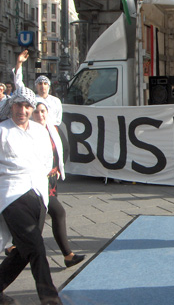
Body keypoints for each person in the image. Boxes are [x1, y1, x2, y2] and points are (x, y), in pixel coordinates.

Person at [0, 87, 62, 305]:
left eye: (27, 106)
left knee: (24, 250)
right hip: (11, 195)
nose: (23, 110)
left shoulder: (39, 130)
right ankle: (50, 300)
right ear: (11, 106)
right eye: (19, 105)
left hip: (38, 194)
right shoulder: (2, 131)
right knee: (36, 248)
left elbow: (47, 159)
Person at [8, 100, 85, 268]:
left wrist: (57, 167)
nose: (40, 115)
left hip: (50, 182)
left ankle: (22, 249)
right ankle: (64, 255)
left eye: (43, 111)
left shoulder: (53, 130)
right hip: (34, 184)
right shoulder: (28, 133)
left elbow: (63, 149)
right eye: (37, 112)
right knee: (54, 215)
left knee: (40, 224)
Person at [13, 50, 63, 126]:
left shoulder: (56, 101)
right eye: (40, 84)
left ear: (48, 86)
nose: (42, 86)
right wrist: (19, 63)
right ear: (36, 86)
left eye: (45, 83)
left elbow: (58, 120)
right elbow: (19, 85)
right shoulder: (32, 99)